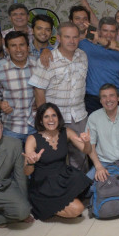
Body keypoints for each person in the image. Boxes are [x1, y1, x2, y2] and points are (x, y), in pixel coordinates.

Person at [29, 22, 89, 171]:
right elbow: (38, 89)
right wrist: (44, 118)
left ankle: (82, 191)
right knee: (54, 157)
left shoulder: (82, 56)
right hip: (56, 118)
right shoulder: (47, 59)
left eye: (75, 37)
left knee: (81, 157)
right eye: (67, 37)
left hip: (78, 116)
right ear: (59, 38)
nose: (72, 41)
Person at [24, 103, 92, 220]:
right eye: (46, 116)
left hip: (62, 178)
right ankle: (44, 206)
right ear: (40, 120)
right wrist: (31, 162)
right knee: (78, 209)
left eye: (54, 115)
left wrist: (86, 142)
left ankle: (56, 205)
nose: (51, 120)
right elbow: (27, 172)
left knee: (82, 181)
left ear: (58, 118)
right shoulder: (32, 139)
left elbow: (86, 150)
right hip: (44, 184)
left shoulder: (66, 132)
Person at [0, 31, 38, 143]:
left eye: (22, 45)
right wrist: (0, 104)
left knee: (36, 160)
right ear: (7, 49)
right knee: (13, 160)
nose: (18, 49)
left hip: (36, 126)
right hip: (12, 127)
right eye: (13, 46)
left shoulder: (39, 64)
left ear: (28, 47)